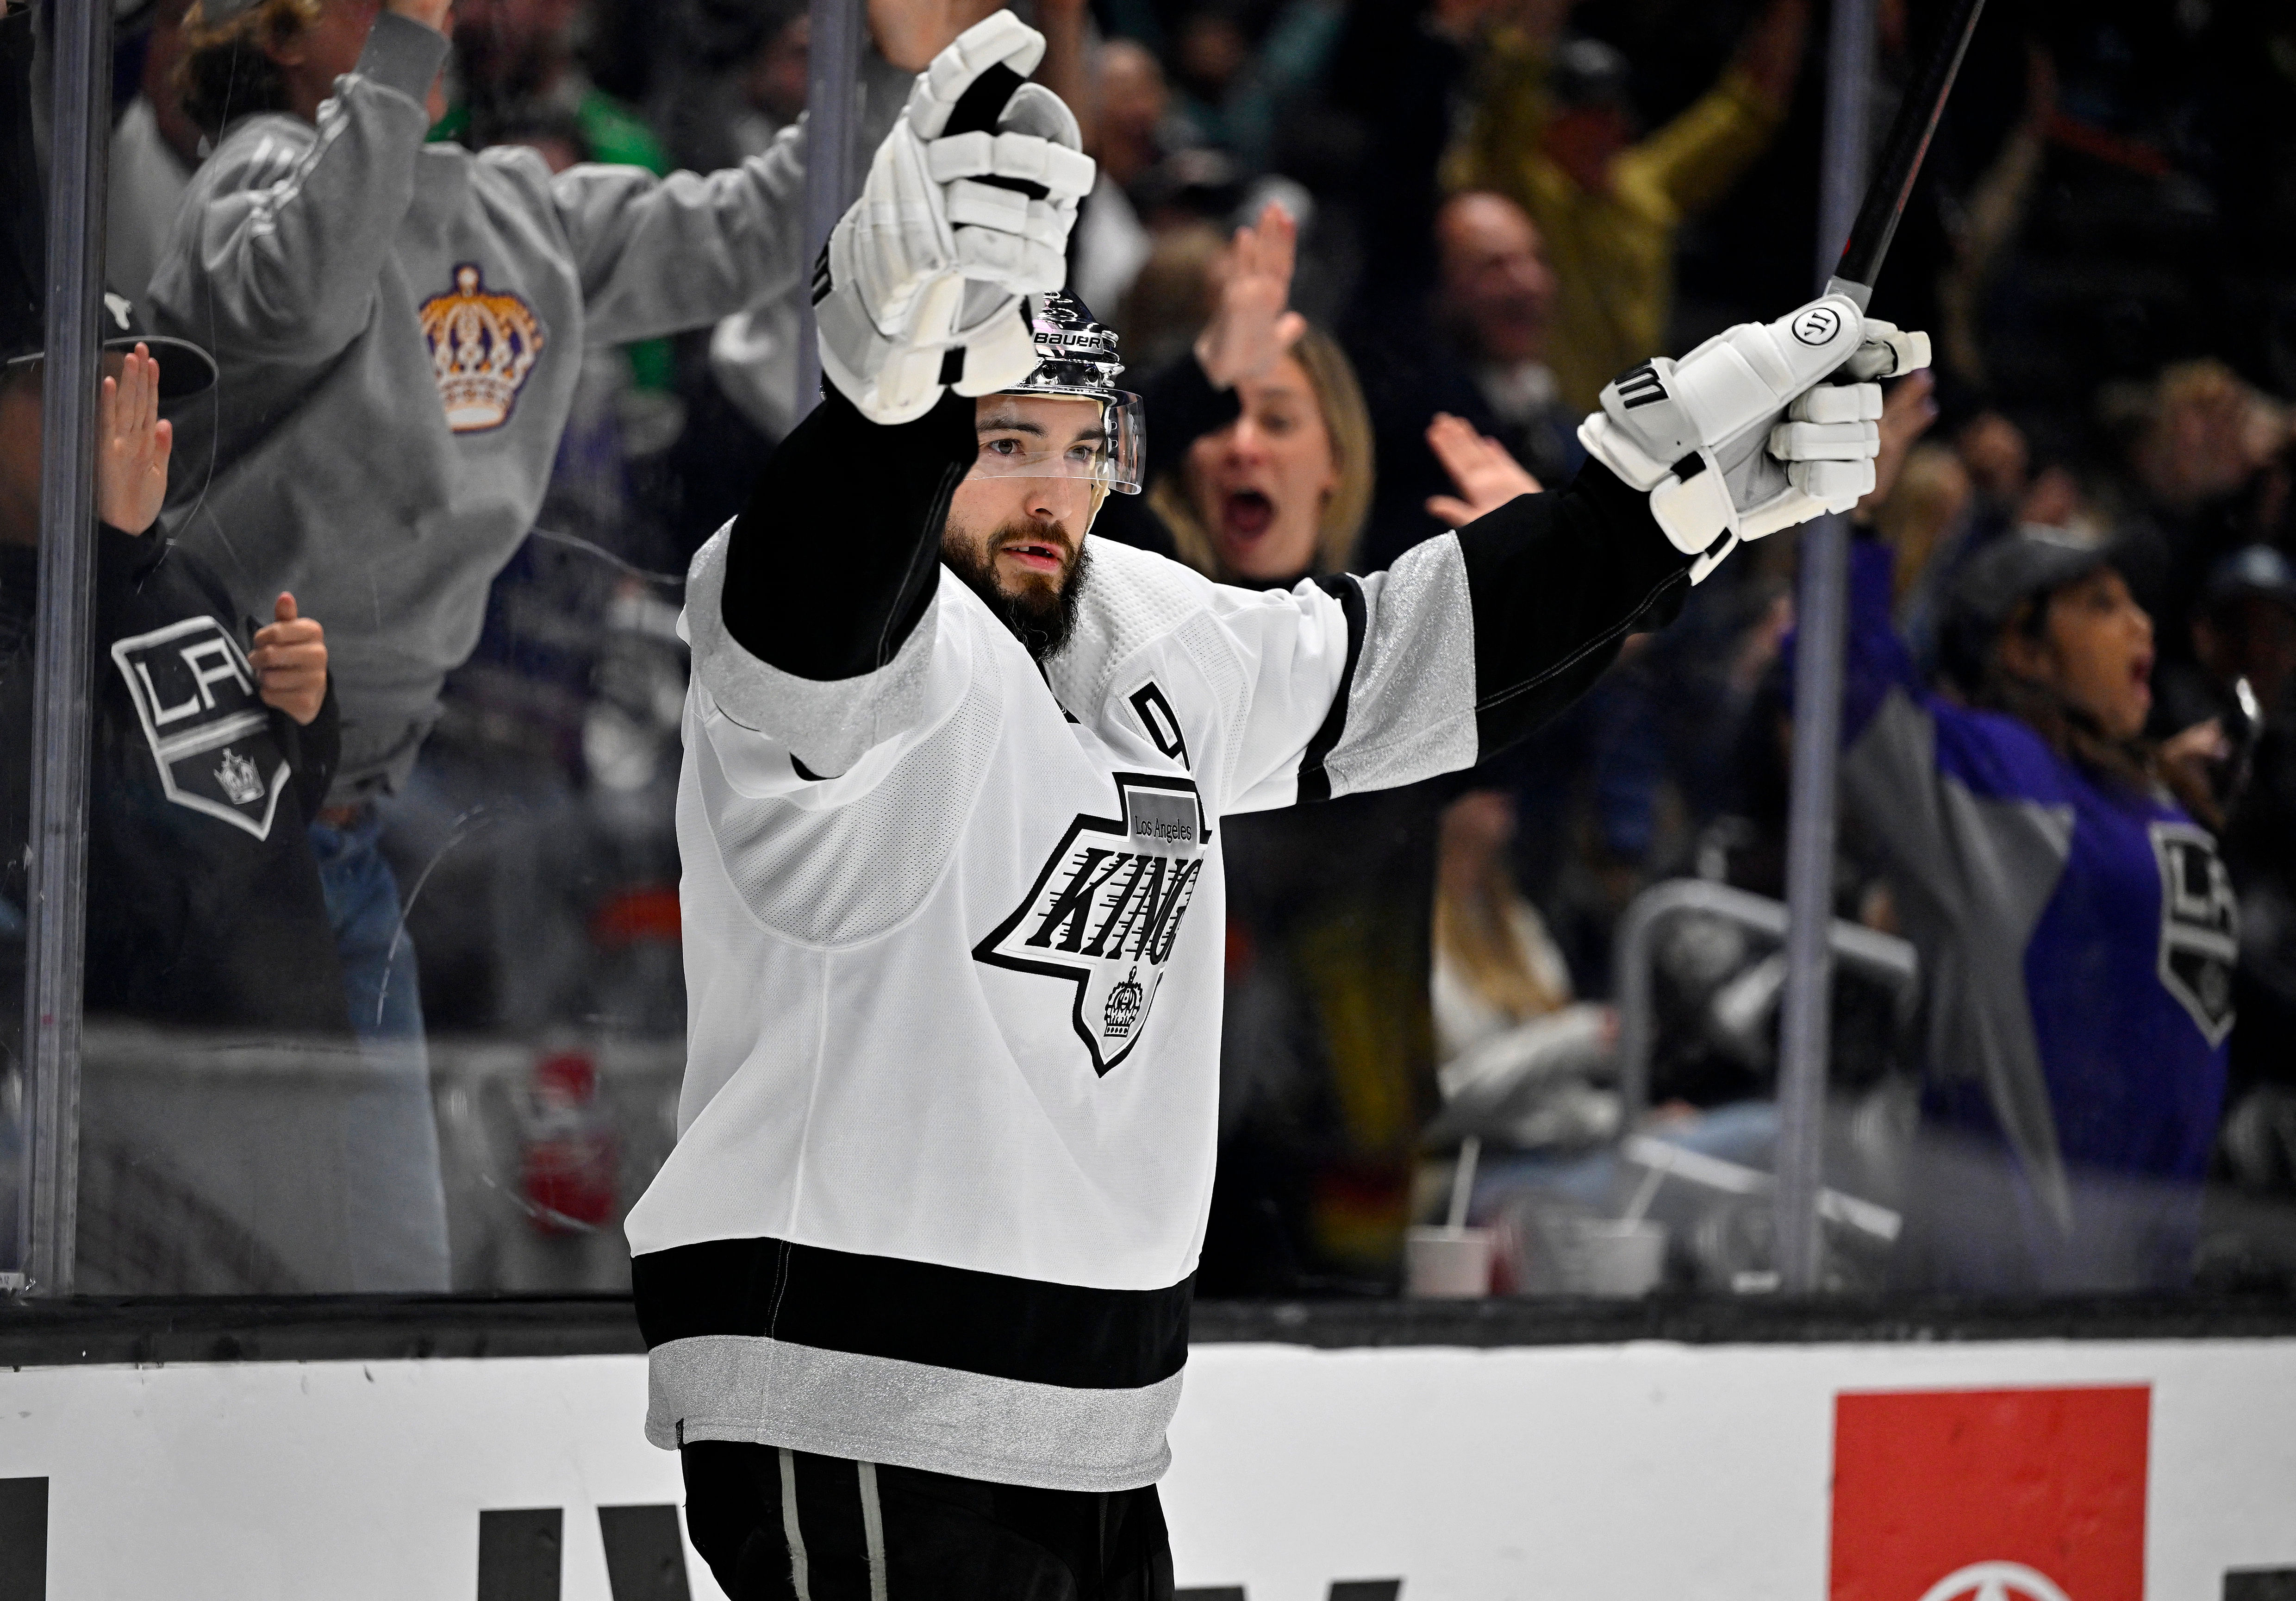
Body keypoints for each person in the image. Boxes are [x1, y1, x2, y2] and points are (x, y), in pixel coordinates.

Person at [622, 14, 1919, 1589]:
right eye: (998, 440)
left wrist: (1677, 501)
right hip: (849, 1382)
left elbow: (1422, 657)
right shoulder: (820, 619)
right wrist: (890, 398)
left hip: (1095, 1414)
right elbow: (827, 584)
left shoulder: (1151, 626)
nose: (1045, 486)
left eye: (1078, 445)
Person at [144, 0, 830, 1286]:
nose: (433, 14)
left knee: (397, 1235)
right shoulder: (248, 180)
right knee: (285, 1235)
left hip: (398, 788)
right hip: (232, 797)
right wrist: (399, 54)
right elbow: (299, 295)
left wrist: (898, 82)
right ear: (278, 36)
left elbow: (751, 232)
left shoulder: (520, 206)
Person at [1821, 517, 2236, 1291]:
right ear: (2023, 650)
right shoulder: (2003, 773)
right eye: (2101, 604)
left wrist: (2150, 772)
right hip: (2015, 1292)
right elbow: (1846, 683)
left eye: (2136, 603)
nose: (2141, 622)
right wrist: (1867, 528)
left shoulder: (2141, 796)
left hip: (2153, 1285)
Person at [1446, 0, 1809, 412]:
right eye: (1587, 115)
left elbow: (1745, 110)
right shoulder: (1515, 187)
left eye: (1611, 112)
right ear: (1547, 122)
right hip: (1537, 423)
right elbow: (1514, 76)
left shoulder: (1642, 189)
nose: (1607, 129)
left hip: (1636, 435)